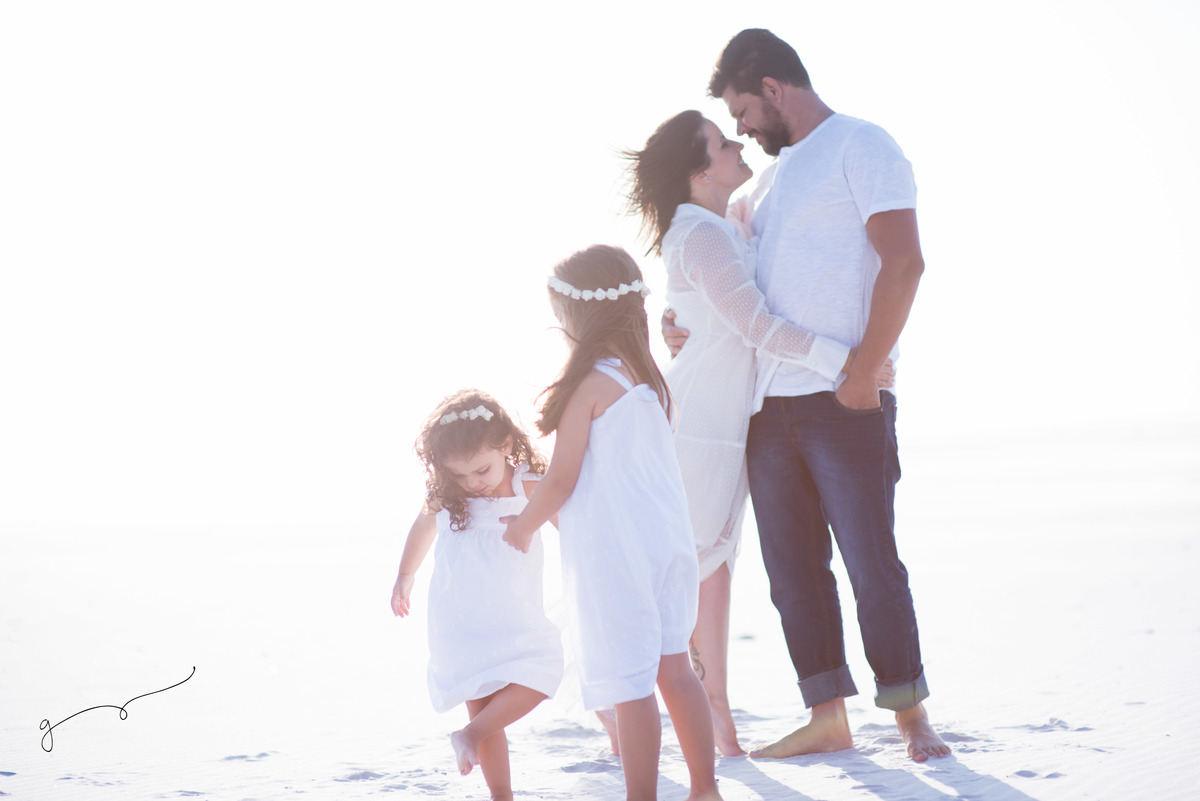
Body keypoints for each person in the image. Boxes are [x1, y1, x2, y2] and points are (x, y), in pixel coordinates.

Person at [664, 28, 951, 762]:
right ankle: (828, 717)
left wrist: (862, 371)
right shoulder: (761, 186)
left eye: (742, 112)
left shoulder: (862, 144)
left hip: (842, 397)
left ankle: (910, 714)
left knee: (870, 560)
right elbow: (725, 284)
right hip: (765, 408)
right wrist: (677, 322)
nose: (740, 130)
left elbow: (905, 262)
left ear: (773, 89)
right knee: (793, 575)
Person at [625, 109, 895, 756]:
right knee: (687, 570)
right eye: (722, 143)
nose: (737, 142)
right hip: (700, 424)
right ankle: (639, 704)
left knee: (714, 566)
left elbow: (740, 248)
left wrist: (677, 319)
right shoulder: (700, 234)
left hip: (728, 423)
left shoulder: (725, 221)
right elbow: (755, 324)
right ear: (698, 172)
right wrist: (849, 364)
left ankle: (713, 710)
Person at [502, 245, 722, 801]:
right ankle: (704, 788)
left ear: (578, 317)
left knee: (630, 684)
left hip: (619, 558)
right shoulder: (651, 383)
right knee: (676, 670)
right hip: (669, 548)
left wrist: (523, 525)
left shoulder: (589, 386)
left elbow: (562, 480)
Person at [390, 389, 564, 800]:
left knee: (544, 671)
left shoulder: (527, 483)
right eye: (460, 475)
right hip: (461, 619)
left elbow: (569, 524)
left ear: (506, 445)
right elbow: (422, 526)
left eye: (482, 470)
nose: (473, 483)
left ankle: (468, 735)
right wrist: (405, 574)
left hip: (514, 615)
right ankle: (500, 793)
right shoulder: (449, 495)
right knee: (483, 707)